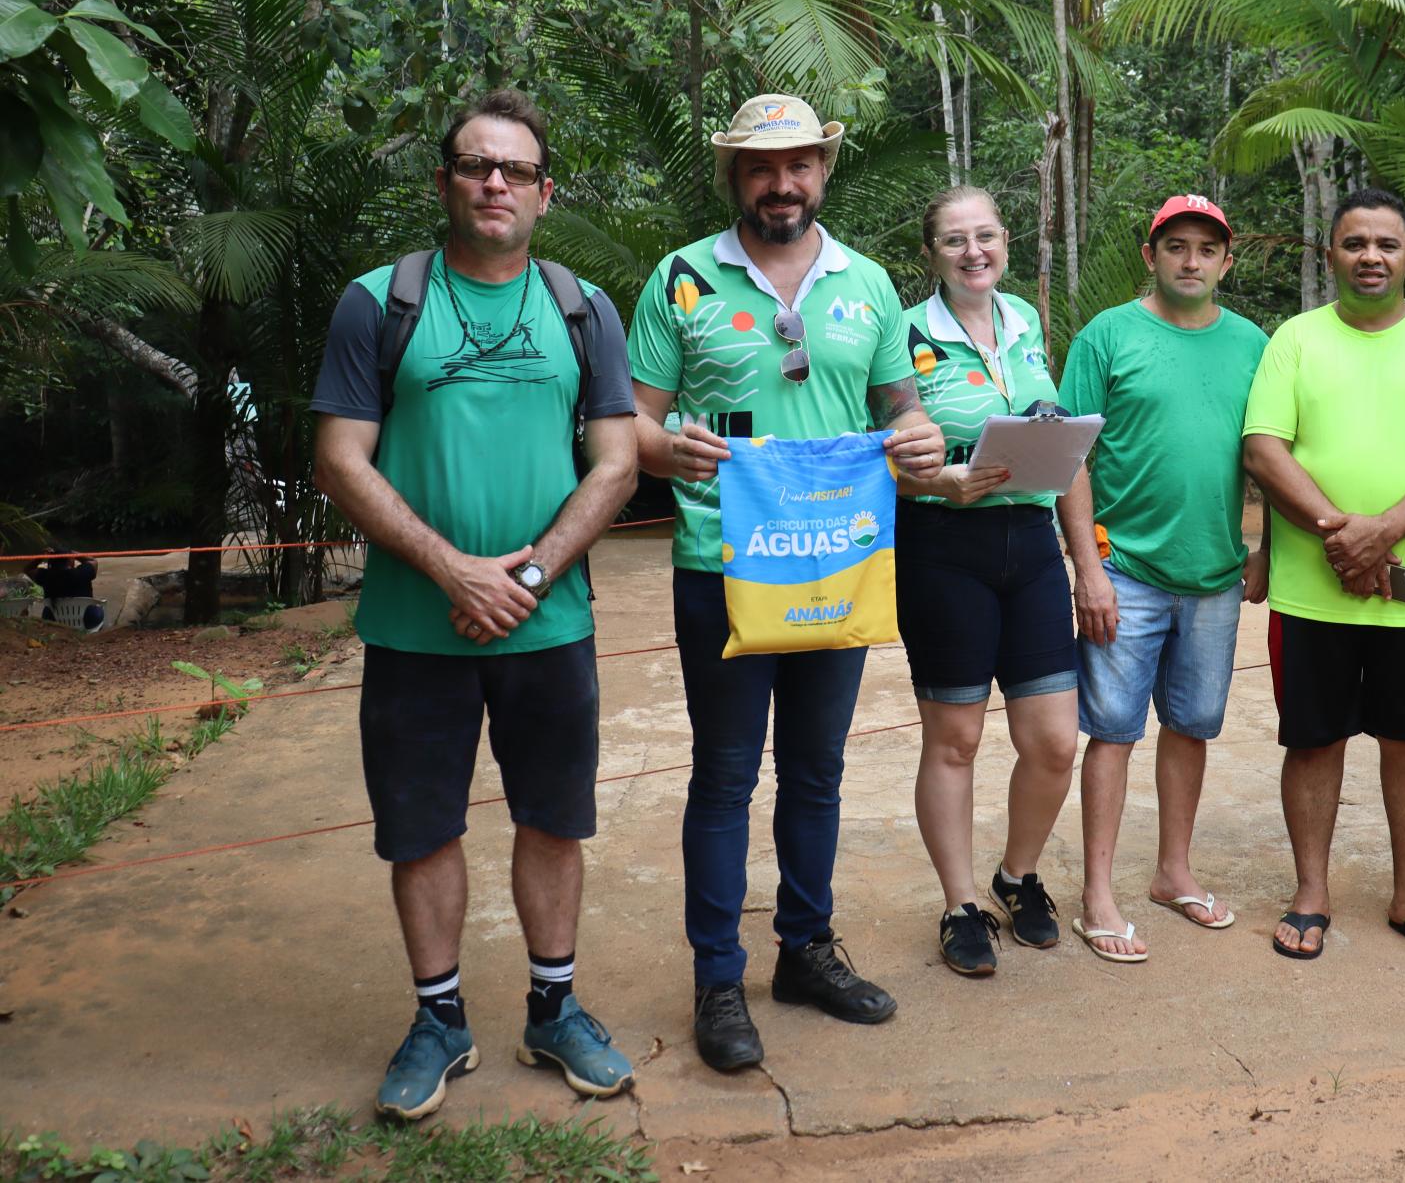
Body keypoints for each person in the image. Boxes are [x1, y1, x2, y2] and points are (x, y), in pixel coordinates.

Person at [312, 88, 641, 1120]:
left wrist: (529, 575)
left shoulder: (583, 307)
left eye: (513, 169)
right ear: (445, 182)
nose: (492, 182)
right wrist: (453, 569)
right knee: (421, 829)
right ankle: (439, 1018)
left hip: (550, 625)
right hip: (417, 626)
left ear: (544, 193)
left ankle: (553, 1009)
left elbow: (619, 462)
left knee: (551, 820)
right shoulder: (380, 302)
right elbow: (338, 457)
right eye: (472, 164)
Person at [627, 94, 947, 1071]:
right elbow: (627, 422)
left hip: (838, 561)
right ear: (734, 175)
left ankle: (806, 948)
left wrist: (923, 439)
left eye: (800, 164)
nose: (782, 182)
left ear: (823, 172)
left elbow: (903, 412)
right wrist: (662, 447)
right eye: (763, 167)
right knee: (725, 776)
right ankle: (717, 979)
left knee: (816, 771)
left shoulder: (869, 285)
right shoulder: (681, 279)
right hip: (722, 565)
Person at [1242, 188, 1405, 964]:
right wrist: (1341, 536)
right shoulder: (1295, 339)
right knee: (1313, 741)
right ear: (1332, 257)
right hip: (1311, 593)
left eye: (1387, 244)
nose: (1371, 256)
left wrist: (1379, 533)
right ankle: (1311, 890)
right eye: (1355, 243)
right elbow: (1264, 448)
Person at [1057, 194, 1270, 963]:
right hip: (1126, 570)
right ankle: (1098, 894)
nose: (1189, 260)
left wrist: (1265, 547)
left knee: (1192, 725)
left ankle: (1172, 872)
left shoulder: (1252, 342)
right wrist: (1088, 569)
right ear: (1151, 255)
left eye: (1205, 249)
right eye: (1174, 246)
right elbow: (1070, 457)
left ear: (1225, 262)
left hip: (1213, 574)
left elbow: (1271, 449)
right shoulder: (1107, 335)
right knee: (1112, 731)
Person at [895, 185, 1079, 977]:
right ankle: (960, 902)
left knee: (1053, 741)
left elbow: (1054, 433)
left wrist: (1087, 561)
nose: (974, 252)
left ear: (1007, 242)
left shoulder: (1027, 322)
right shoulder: (901, 334)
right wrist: (942, 484)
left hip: (1030, 541)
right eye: (955, 240)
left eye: (987, 236)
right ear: (931, 253)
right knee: (958, 738)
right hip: (944, 545)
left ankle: (1016, 874)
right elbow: (882, 460)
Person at [29, 546, 103, 630]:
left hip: (55, 621)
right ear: (70, 560)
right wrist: (72, 553)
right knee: (98, 609)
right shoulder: (83, 572)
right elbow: (92, 561)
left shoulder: (46, 576)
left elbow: (28, 569)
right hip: (87, 620)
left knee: (48, 609)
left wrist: (41, 556)